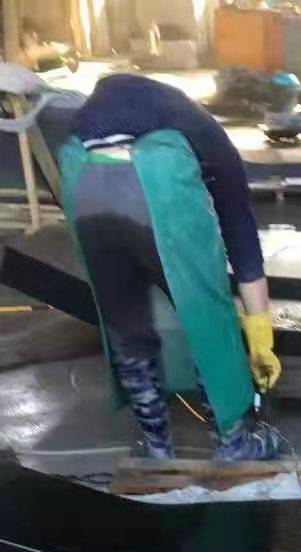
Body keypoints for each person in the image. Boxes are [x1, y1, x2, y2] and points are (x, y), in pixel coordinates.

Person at [60, 74, 282, 460]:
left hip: (79, 174)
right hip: (156, 178)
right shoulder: (216, 145)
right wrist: (260, 332)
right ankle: (233, 443)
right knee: (208, 314)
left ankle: (156, 448)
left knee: (125, 321)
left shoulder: (128, 105)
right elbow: (241, 238)